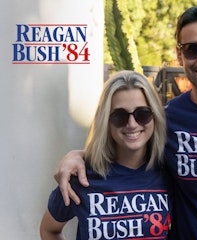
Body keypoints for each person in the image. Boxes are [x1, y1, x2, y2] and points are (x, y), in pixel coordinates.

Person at [54, 5, 197, 239]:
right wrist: (78, 155)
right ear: (180, 54)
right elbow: (126, 140)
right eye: (192, 49)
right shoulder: (163, 118)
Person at [40, 70, 172, 239]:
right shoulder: (81, 176)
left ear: (155, 117)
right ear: (106, 121)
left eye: (142, 114)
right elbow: (49, 230)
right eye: (119, 116)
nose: (132, 124)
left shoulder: (170, 172)